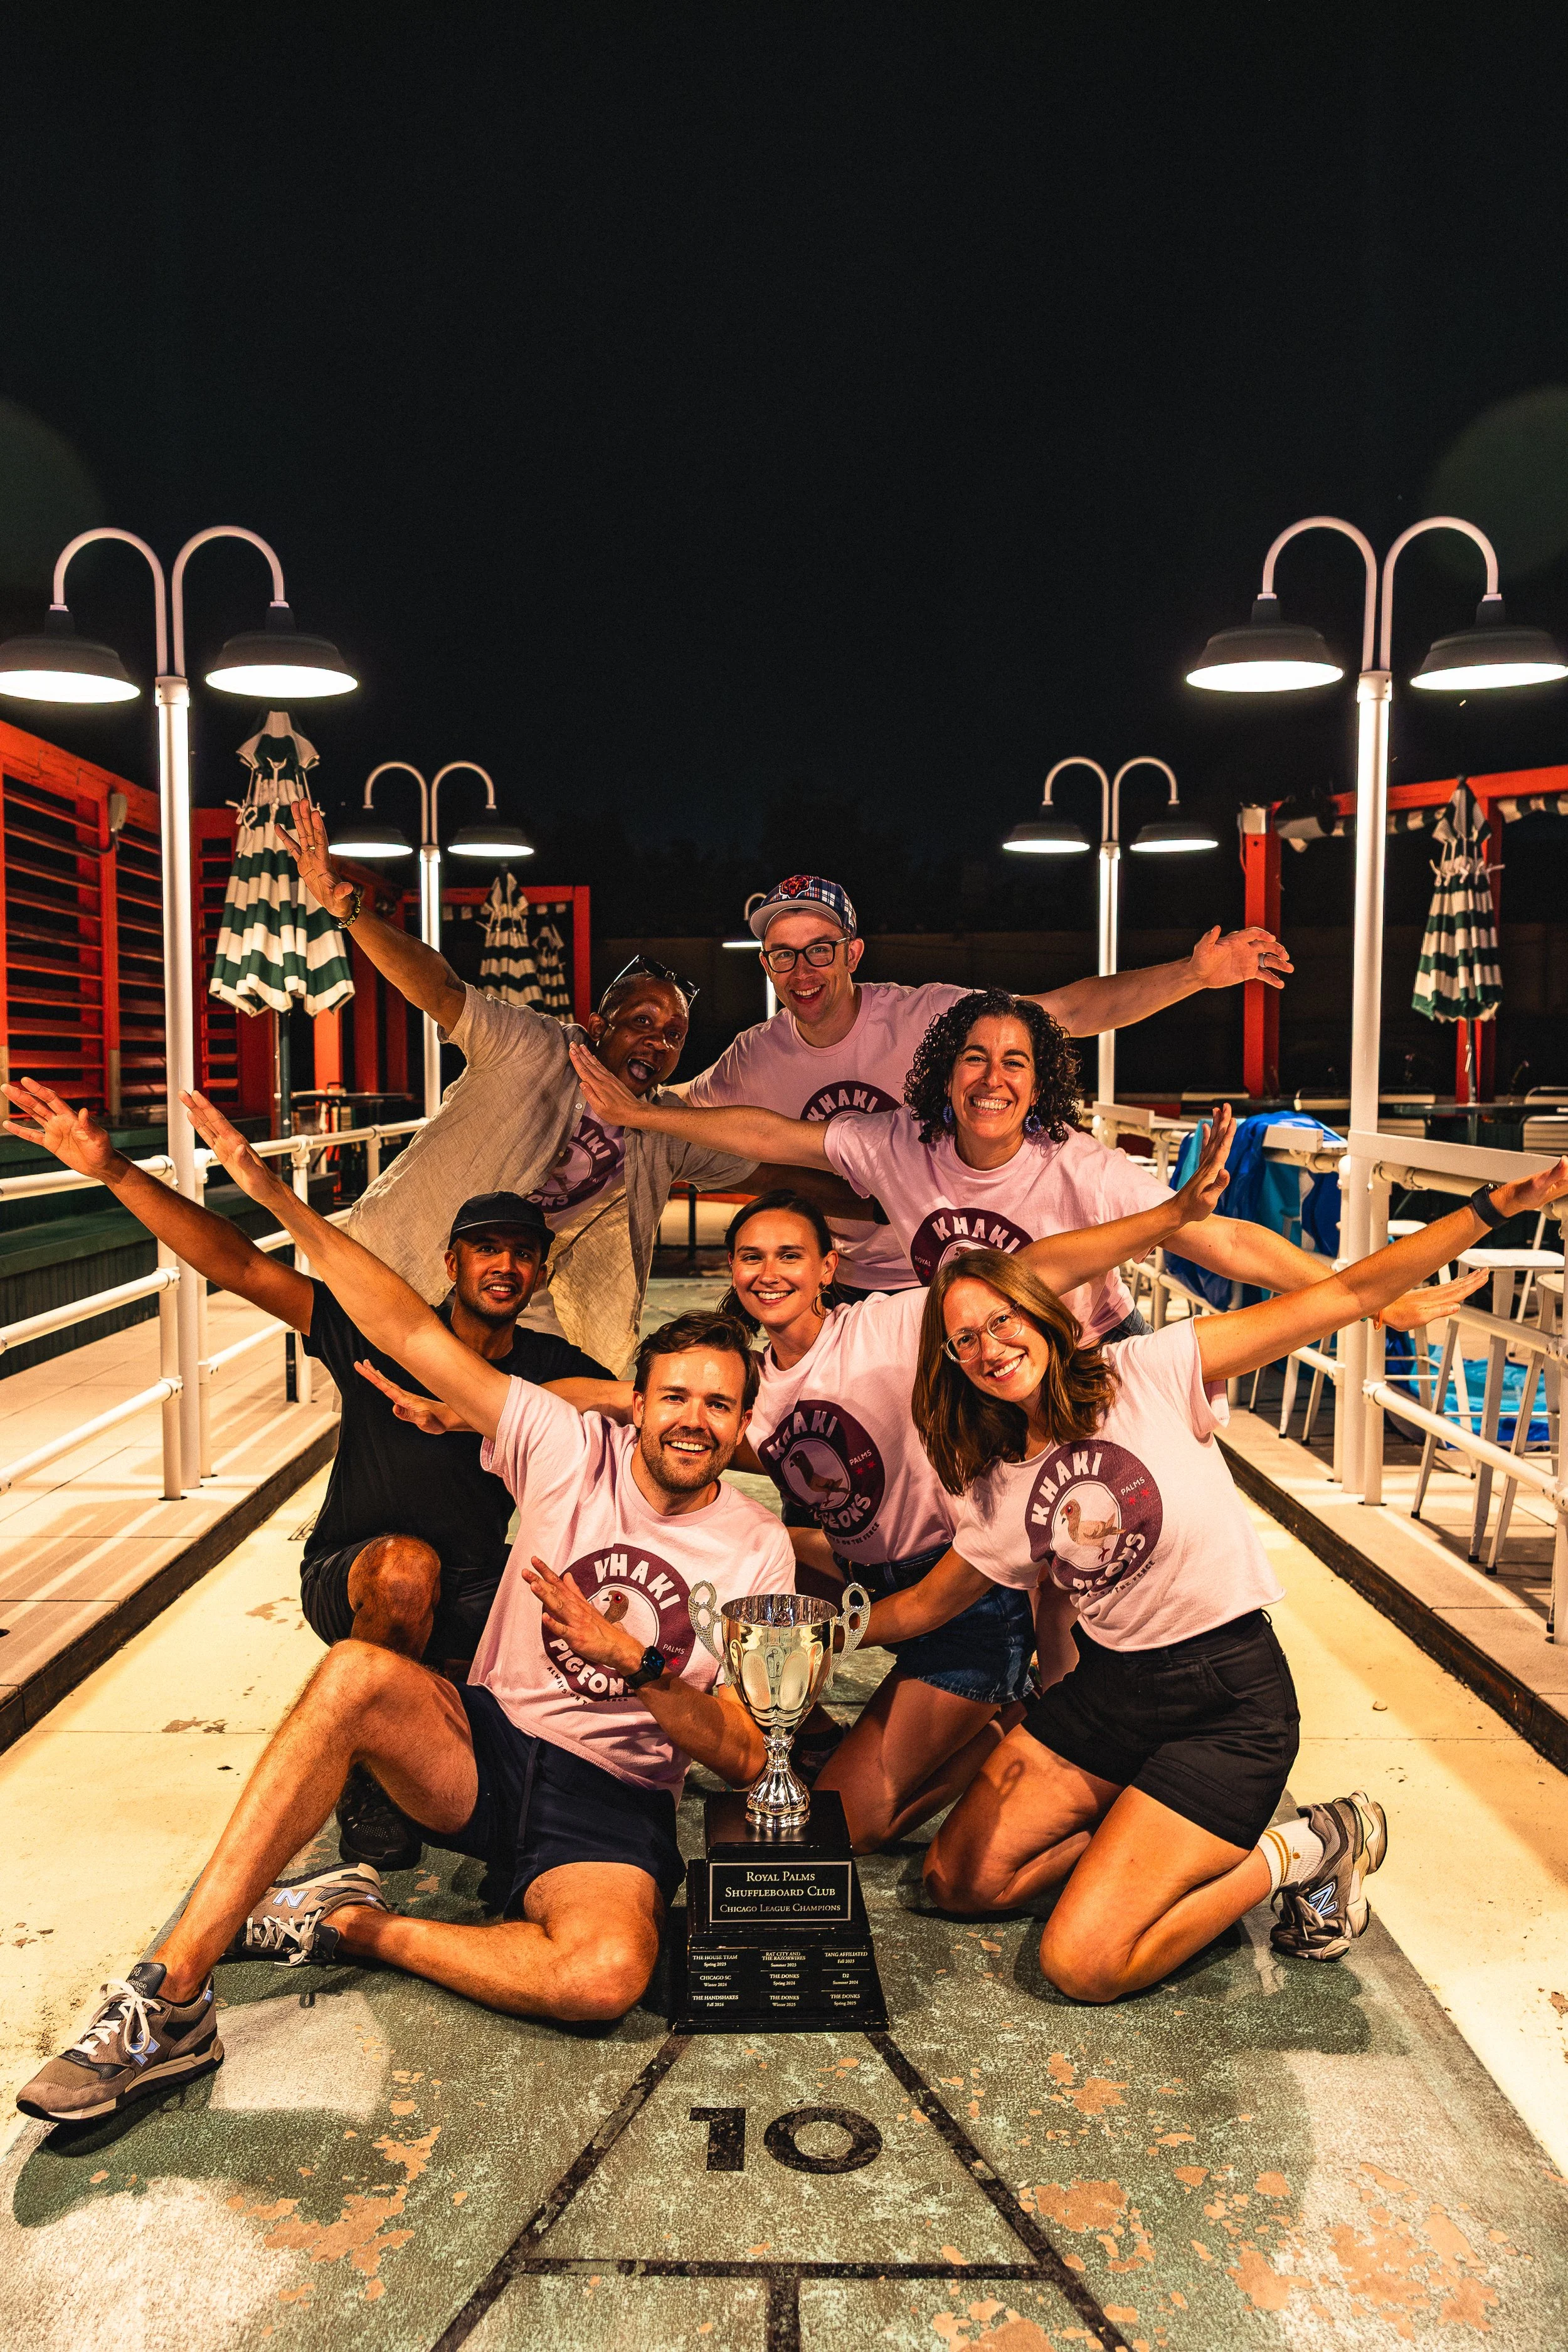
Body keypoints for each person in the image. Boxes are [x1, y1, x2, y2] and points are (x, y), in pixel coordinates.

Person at [16, 1094, 798, 2126]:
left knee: (605, 1978)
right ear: (636, 1401)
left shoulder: (757, 1545)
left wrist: (640, 1665)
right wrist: (266, 1193)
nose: (694, 1419)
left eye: (720, 1403)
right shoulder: (559, 1443)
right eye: (674, 1397)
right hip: (489, 1740)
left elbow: (749, 1755)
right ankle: (167, 1996)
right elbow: (398, 1324)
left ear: (742, 1422)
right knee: (353, 1672)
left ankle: (349, 1926)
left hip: (609, 1795)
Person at [853, 1149, 1568, 2003]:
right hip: (1110, 1695)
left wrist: (1494, 1208)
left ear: (1042, 1315)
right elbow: (932, 1604)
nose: (990, 1346)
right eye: (964, 1337)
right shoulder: (996, 1480)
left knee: (1081, 1963)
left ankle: (1308, 1847)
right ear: (951, 1362)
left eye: (1002, 1319)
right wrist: (810, 1631)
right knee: (958, 1879)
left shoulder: (1150, 1372)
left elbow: (1345, 1295)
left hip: (1227, 1704)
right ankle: (1148, 1837)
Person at [0, 1077, 617, 1871]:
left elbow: (638, 1408)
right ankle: (363, 1775)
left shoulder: (547, 1366)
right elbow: (239, 1266)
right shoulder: (381, 1331)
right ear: (451, 1261)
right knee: (404, 1576)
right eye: (488, 1249)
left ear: (540, 1273)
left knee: (533, 1672)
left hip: (476, 1589)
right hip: (359, 1573)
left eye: (523, 1254)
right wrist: (117, 1171)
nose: (505, 1265)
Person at [721, 1111, 1237, 1850]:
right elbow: (627, 1409)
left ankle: (1012, 1714)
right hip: (875, 1582)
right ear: (729, 1270)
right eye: (750, 1256)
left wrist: (1168, 1216)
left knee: (841, 1830)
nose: (768, 1273)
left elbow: (1037, 1270)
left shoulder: (892, 1323)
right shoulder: (754, 1396)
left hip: (961, 1608)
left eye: (789, 1255)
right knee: (760, 1564)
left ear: (828, 1268)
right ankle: (982, 1721)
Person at [282, 803, 860, 1372]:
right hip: (393, 1266)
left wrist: (896, 1201)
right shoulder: (532, 1047)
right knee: (388, 1440)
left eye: (675, 1035)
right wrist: (352, 912)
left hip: (503, 1304)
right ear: (599, 1026)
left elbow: (773, 1172)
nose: (658, 1043)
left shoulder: (660, 1128)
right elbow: (440, 989)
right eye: (642, 1023)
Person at [573, 988, 1470, 1343]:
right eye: (974, 1057)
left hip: (1084, 1357)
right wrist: (643, 1111)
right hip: (979, 1361)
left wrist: (1367, 1293)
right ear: (943, 1075)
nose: (992, 1076)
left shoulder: (1076, 1165)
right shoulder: (900, 1145)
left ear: (1039, 1085)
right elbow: (771, 1137)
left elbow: (1221, 1238)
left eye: (1015, 1062)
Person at [681, 872, 1293, 1293]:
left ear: (853, 953)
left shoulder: (925, 1019)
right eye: (782, 954)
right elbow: (678, 1111)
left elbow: (1070, 1013)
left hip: (981, 1278)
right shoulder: (754, 1058)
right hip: (857, 1285)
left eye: (820, 950)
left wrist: (1193, 974)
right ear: (765, 964)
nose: (802, 971)